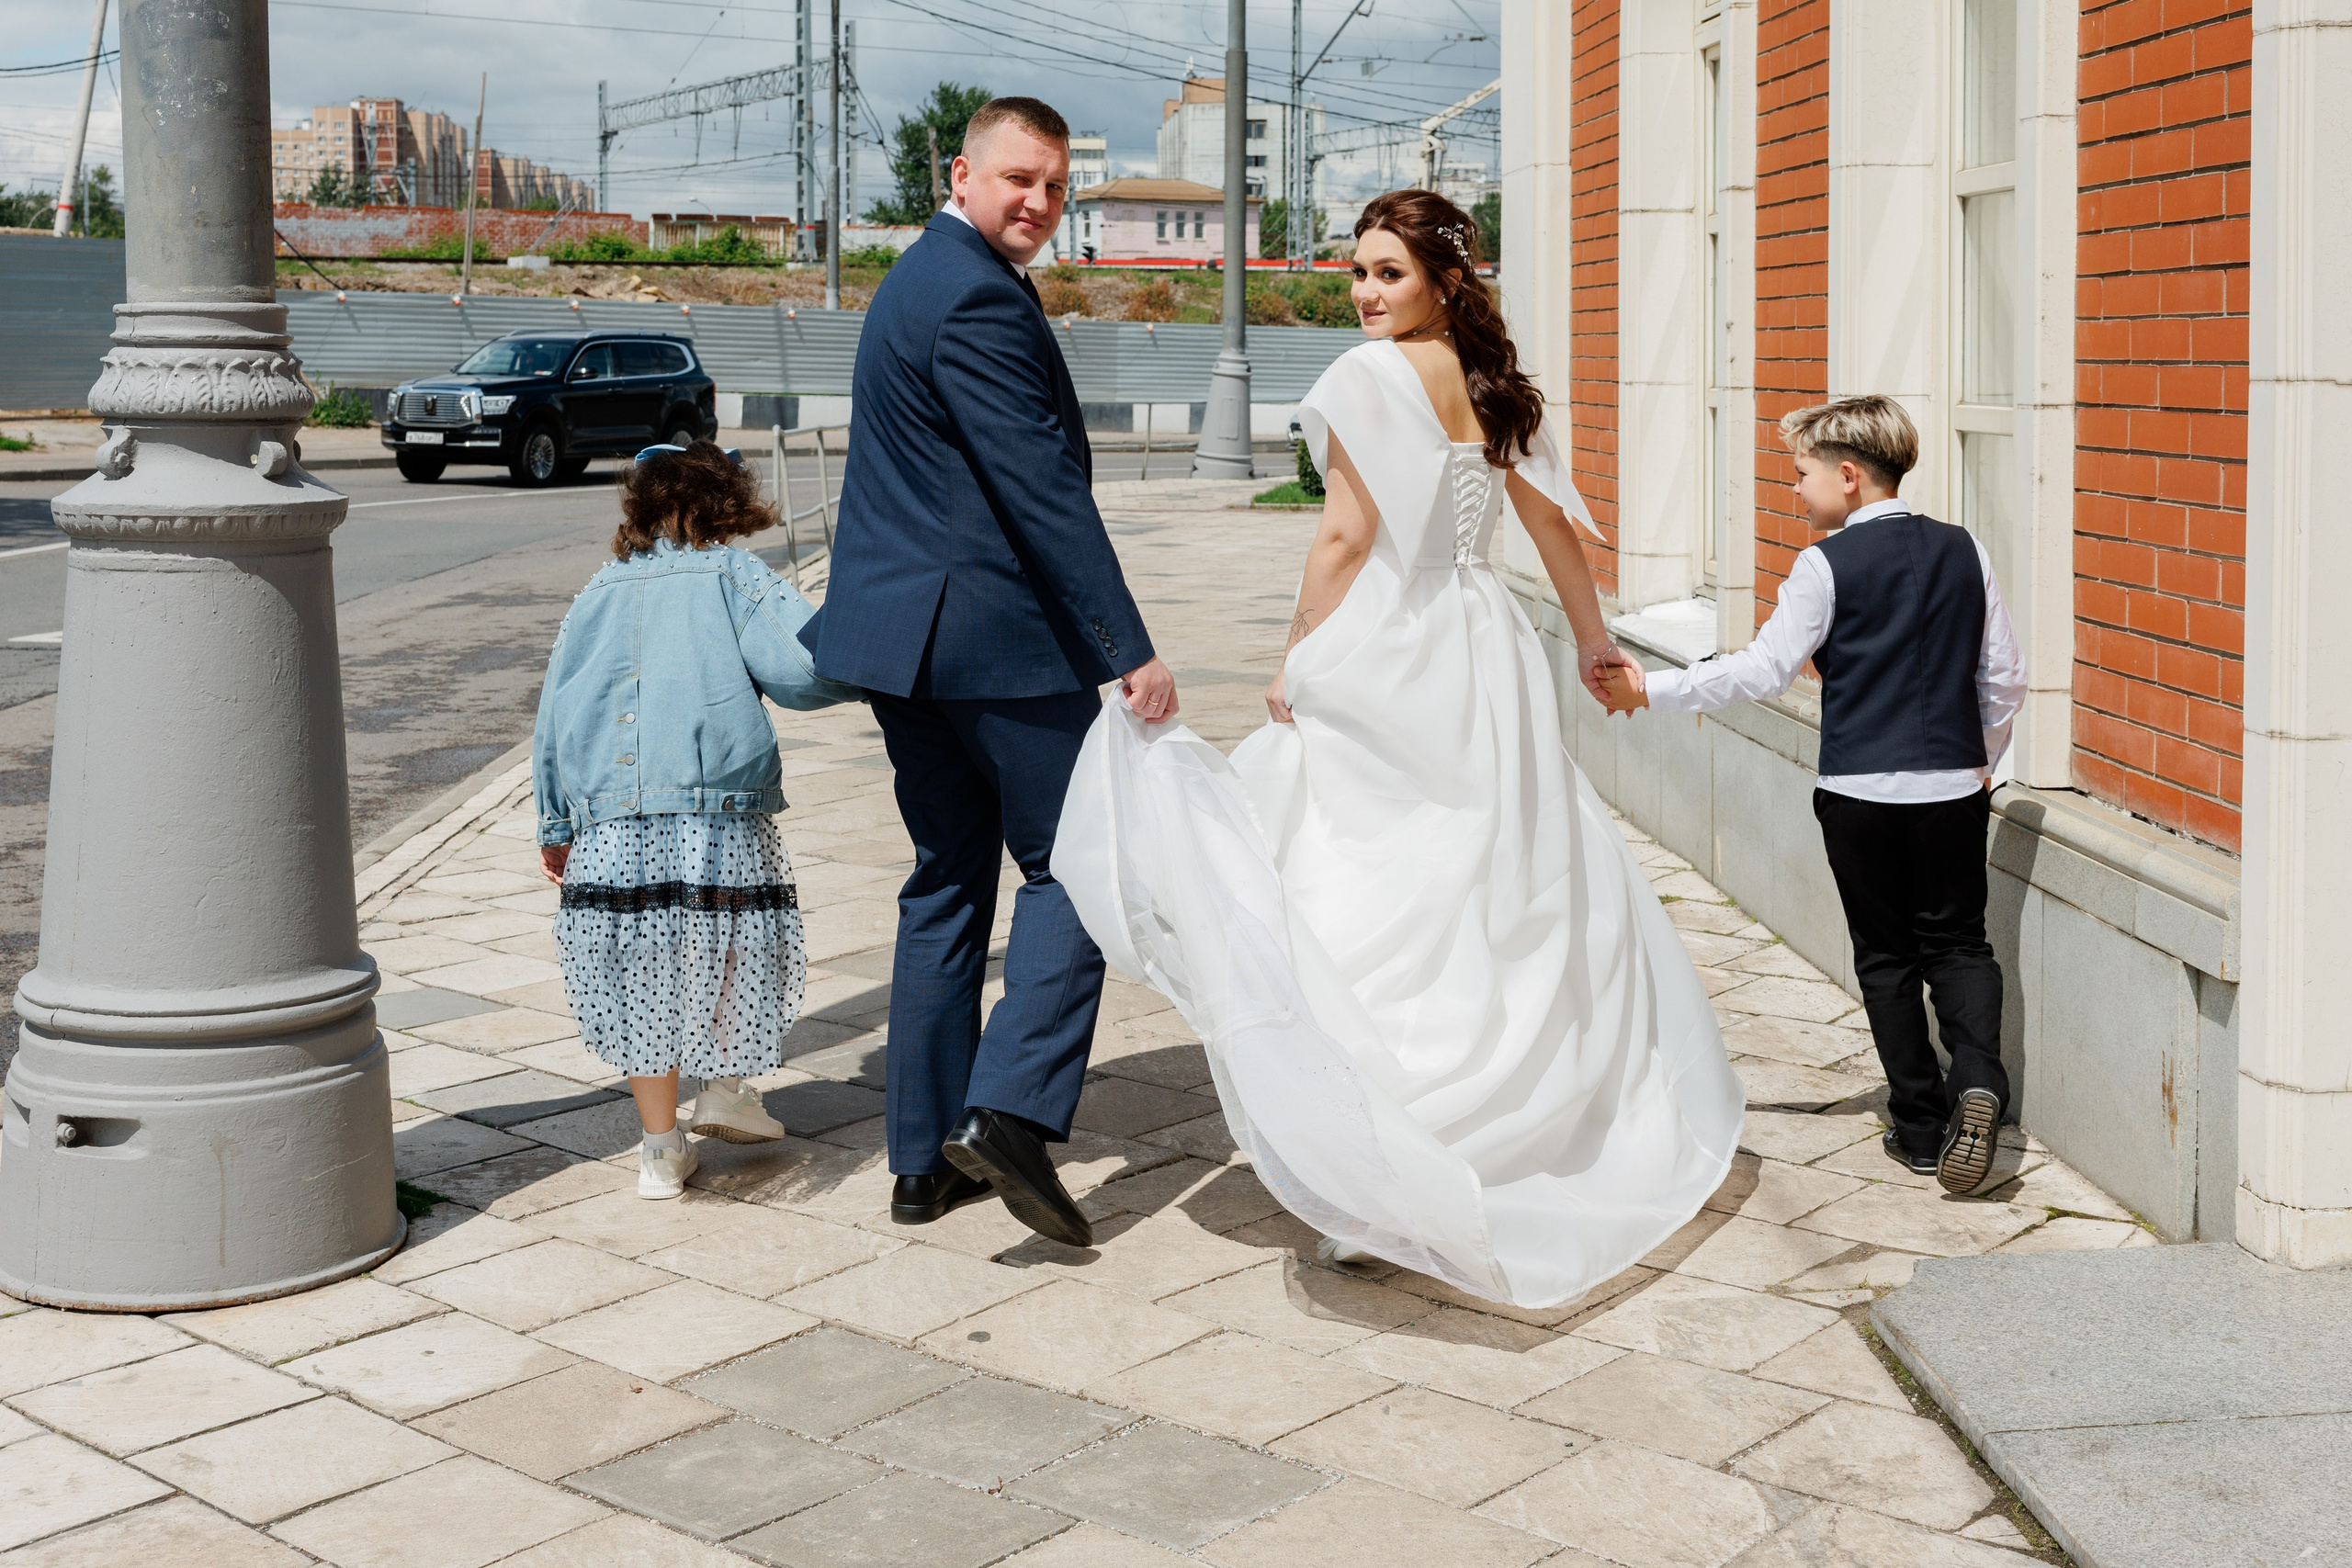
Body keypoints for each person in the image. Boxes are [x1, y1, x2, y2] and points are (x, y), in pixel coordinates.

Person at [1052, 190, 1746, 1309]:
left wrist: (1294, 655)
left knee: (1357, 879)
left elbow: (1343, 536)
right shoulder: (1494, 390)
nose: (1365, 293)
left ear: (1446, 280)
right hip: (1485, 647)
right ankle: (1483, 1131)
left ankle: (1389, 1159)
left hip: (1393, 644)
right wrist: (1587, 644)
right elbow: (1552, 531)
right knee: (1483, 878)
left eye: (1388, 273)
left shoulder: (1368, 380)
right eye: (1359, 273)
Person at [797, 96, 1177, 1247]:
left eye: (1057, 187)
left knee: (947, 885)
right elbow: (1040, 490)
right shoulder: (969, 292)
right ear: (961, 171)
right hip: (992, 645)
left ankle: (920, 1164)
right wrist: (1129, 646)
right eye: (1020, 179)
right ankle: (1007, 1114)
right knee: (1084, 863)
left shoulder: (919, 276)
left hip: (905, 649)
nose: (1039, 205)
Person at [1601, 395, 2026, 1195]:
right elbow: (2005, 677)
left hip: (1860, 789)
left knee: (1888, 954)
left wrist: (1647, 691)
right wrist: (1982, 763)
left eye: (1801, 475)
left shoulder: (1825, 565)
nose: (1795, 492)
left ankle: (1924, 1128)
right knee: (1960, 943)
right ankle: (1979, 1078)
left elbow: (1762, 671)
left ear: (1848, 474)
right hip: (1951, 789)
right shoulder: (1964, 550)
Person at [534, 440, 860, 1200]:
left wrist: (556, 822)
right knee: (728, 941)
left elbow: (553, 715)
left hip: (613, 820)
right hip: (716, 811)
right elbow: (803, 668)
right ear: (720, 503)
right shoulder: (732, 576)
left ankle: (659, 1151)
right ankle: (725, 1085)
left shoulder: (594, 594)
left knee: (643, 969)